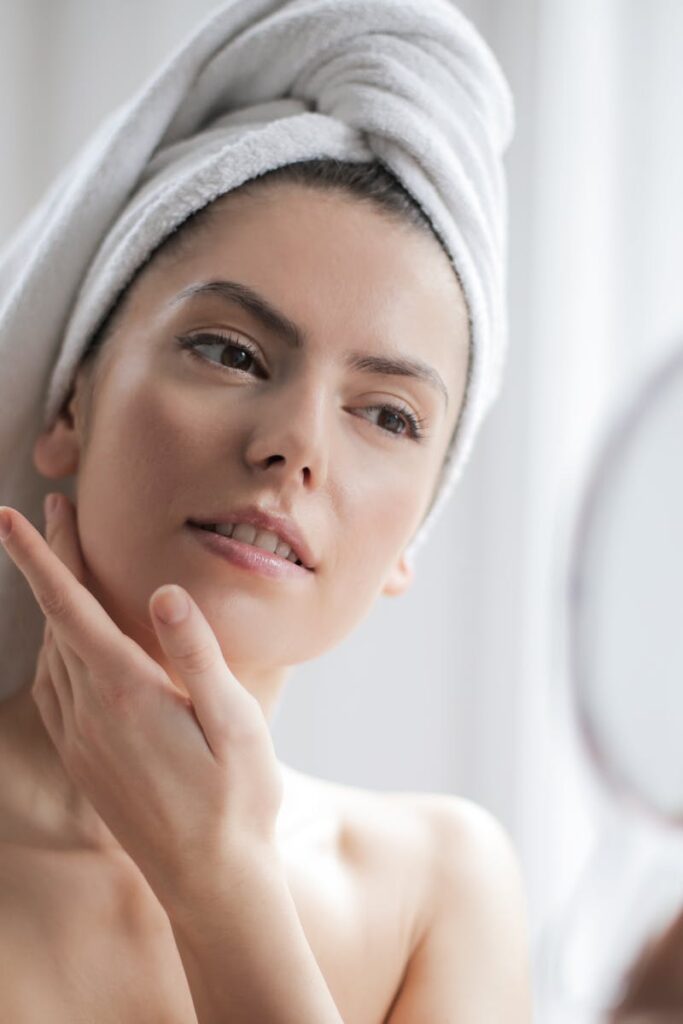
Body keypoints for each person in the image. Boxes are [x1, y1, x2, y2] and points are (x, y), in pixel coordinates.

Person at [0, 2, 530, 1021]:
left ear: (409, 539)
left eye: (386, 413)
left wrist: (220, 885)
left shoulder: (439, 889)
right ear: (71, 402)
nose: (294, 444)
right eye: (230, 350)